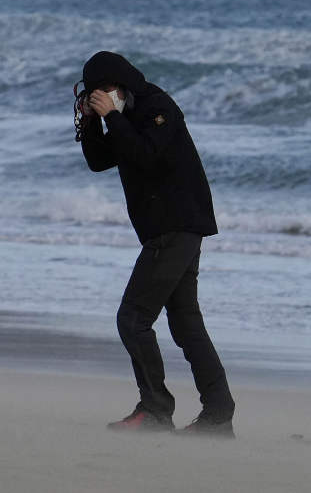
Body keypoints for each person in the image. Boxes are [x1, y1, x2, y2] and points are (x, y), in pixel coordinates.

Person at [76, 50, 235, 438]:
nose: (103, 95)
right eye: (96, 92)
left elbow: (147, 154)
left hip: (177, 225)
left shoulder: (156, 106)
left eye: (107, 89)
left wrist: (112, 116)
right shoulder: (125, 115)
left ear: (123, 84)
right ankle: (218, 414)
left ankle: (156, 409)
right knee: (185, 322)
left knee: (132, 318)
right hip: (168, 228)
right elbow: (100, 161)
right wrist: (92, 122)